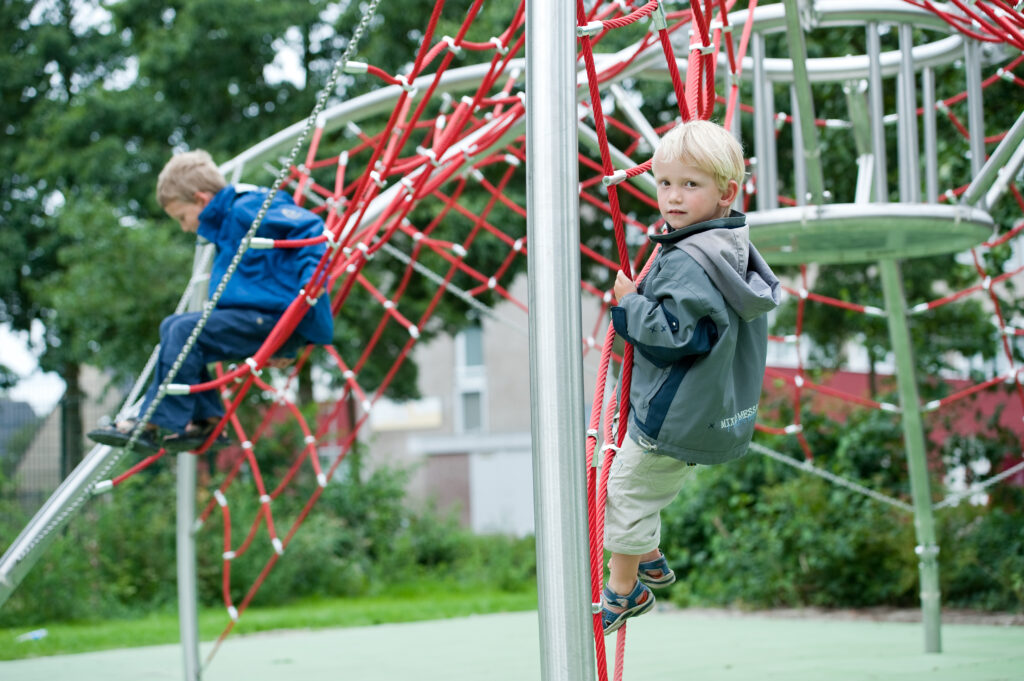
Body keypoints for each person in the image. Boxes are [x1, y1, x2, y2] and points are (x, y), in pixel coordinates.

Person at [601, 120, 780, 634]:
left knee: (625, 493)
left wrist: (630, 304)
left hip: (673, 416)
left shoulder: (686, 261)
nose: (673, 198)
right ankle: (649, 554)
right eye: (664, 183)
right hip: (709, 408)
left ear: (726, 192)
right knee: (636, 484)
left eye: (690, 185)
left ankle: (624, 590)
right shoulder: (730, 246)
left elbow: (677, 336)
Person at [89, 150, 334, 454]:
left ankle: (149, 423)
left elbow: (312, 229)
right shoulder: (227, 224)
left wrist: (313, 282)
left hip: (272, 319)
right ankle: (207, 420)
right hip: (259, 320)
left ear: (201, 200)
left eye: (182, 216)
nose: (184, 226)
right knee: (177, 329)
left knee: (180, 331)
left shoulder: (248, 207)